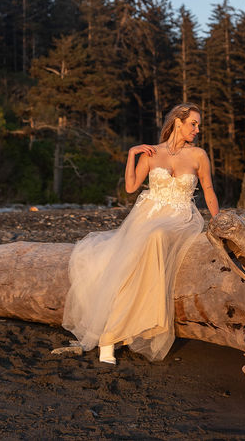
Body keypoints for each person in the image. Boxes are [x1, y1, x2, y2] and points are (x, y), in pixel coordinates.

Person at [62, 103, 219, 365]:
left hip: (180, 218)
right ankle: (109, 337)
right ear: (178, 123)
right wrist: (132, 154)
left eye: (198, 124)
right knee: (125, 266)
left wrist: (219, 223)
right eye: (194, 123)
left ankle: (123, 330)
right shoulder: (150, 153)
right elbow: (131, 186)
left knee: (155, 237)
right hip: (145, 217)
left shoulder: (199, 155)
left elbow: (209, 190)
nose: (197, 129)